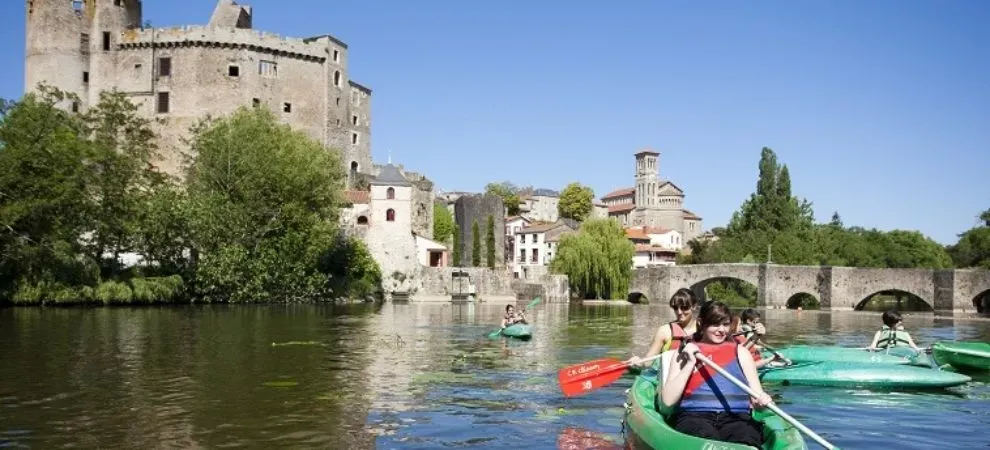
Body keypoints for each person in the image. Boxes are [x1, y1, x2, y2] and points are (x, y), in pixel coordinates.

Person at [660, 300, 773, 447]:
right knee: (704, 438)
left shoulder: (741, 353)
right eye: (715, 324)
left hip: (736, 418)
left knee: (746, 437)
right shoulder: (684, 352)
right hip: (695, 417)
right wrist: (690, 363)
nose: (721, 330)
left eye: (725, 324)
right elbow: (668, 400)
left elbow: (757, 400)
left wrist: (762, 402)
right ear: (701, 323)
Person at [629, 288, 699, 367]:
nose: (679, 312)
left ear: (694, 306)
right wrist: (639, 362)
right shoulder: (664, 331)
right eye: (675, 308)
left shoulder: (703, 329)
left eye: (684, 307)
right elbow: (649, 360)